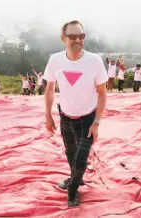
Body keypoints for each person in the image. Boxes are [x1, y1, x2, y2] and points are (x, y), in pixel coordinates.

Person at [43, 20, 108, 207]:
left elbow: (102, 93)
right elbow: (49, 88)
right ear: (63, 39)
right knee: (70, 153)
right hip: (65, 116)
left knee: (81, 159)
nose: (78, 40)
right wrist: (48, 116)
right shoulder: (55, 60)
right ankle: (76, 178)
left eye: (81, 36)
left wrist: (96, 122)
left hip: (87, 119)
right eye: (72, 36)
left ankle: (72, 190)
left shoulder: (94, 61)